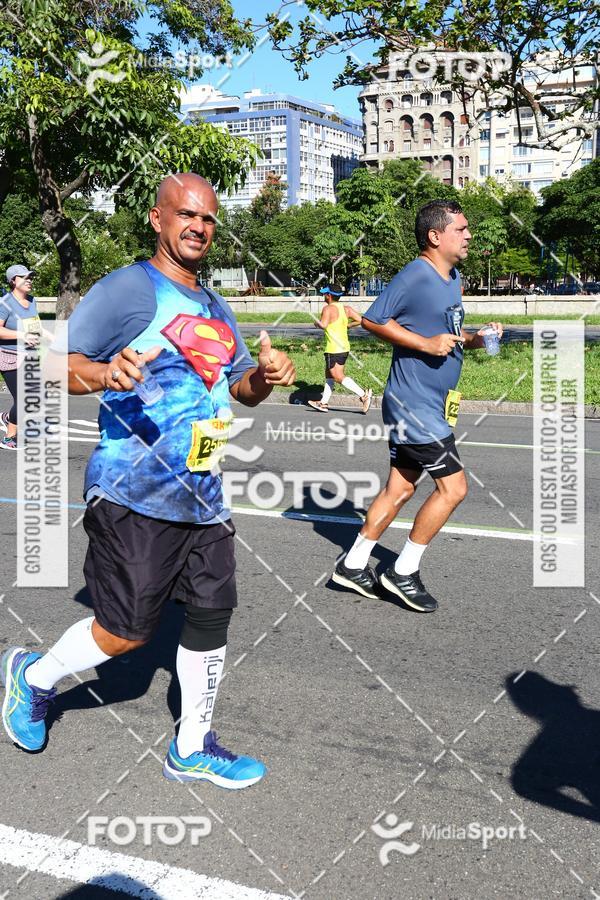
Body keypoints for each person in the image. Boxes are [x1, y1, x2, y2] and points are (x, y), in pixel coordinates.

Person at [1, 173, 295, 789]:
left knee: (212, 616)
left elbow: (238, 389)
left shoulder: (216, 306)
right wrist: (107, 372)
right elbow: (51, 368)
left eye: (210, 219)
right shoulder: (130, 288)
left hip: (203, 495)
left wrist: (267, 375)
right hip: (133, 491)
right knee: (127, 634)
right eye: (186, 214)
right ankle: (31, 676)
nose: (199, 227)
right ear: (157, 219)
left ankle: (192, 746)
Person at [332, 200, 502, 612]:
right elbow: (373, 320)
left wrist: (479, 338)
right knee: (454, 487)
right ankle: (401, 571)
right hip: (413, 405)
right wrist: (425, 344)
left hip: (433, 403)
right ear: (435, 236)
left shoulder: (452, 278)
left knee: (401, 486)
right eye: (460, 229)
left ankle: (353, 564)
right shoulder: (416, 274)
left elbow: (449, 334)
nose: (468, 235)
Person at [308, 283, 372, 414]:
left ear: (329, 296)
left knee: (337, 376)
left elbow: (324, 324)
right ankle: (323, 403)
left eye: (325, 293)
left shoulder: (328, 309)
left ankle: (363, 395)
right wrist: (348, 326)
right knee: (329, 375)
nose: (323, 296)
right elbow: (361, 320)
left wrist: (317, 323)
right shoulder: (346, 309)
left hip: (334, 348)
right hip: (343, 346)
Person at [0, 266, 41, 449]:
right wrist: (21, 335)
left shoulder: (32, 301)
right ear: (13, 281)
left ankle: (9, 418)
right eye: (24, 277)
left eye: (30, 277)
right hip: (9, 356)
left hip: (29, 355)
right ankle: (8, 438)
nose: (29, 280)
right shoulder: (5, 303)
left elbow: (34, 325)